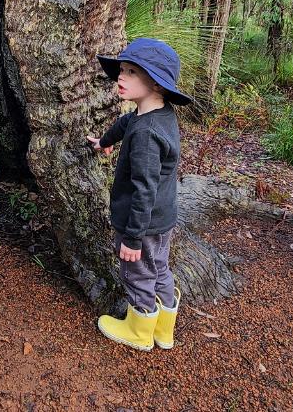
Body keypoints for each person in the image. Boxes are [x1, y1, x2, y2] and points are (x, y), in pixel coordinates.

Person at [86, 38, 190, 351]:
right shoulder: (158, 115)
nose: (121, 77)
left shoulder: (146, 135)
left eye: (132, 72)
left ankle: (140, 330)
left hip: (141, 224)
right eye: (122, 70)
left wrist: (132, 238)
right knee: (159, 269)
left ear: (156, 84)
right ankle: (163, 329)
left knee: (137, 273)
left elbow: (144, 190)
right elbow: (125, 123)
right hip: (161, 219)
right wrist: (105, 141)